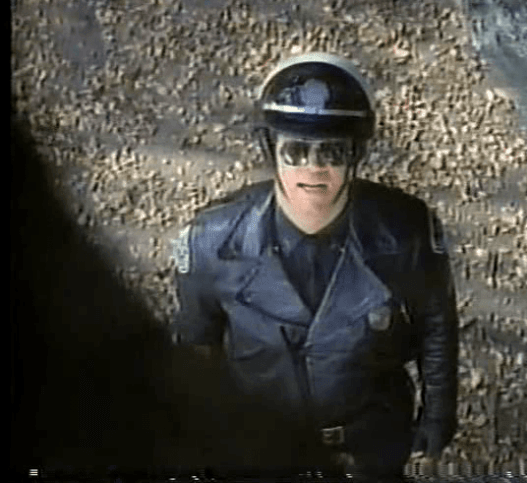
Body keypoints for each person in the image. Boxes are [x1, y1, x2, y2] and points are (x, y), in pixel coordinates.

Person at [171, 52, 459, 480]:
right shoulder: (212, 239)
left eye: (333, 152)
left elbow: (436, 326)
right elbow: (197, 345)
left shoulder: (406, 232)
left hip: (369, 445)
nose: (314, 168)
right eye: (296, 151)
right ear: (271, 149)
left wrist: (436, 420)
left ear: (355, 155)